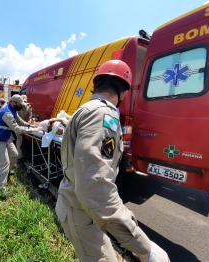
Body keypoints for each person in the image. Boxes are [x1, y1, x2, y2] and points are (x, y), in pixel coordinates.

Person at [55, 60, 170, 262]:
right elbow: (95, 189)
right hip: (83, 212)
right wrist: (144, 247)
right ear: (123, 92)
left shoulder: (85, 109)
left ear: (95, 86)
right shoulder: (104, 113)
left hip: (81, 209)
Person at [0, 94, 41, 194]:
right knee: (4, 163)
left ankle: (6, 173)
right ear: (13, 102)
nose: (21, 106)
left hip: (5, 138)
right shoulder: (7, 112)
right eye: (20, 104)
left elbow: (20, 121)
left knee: (14, 155)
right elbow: (17, 129)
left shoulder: (13, 110)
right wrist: (31, 130)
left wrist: (30, 124)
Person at [16, 94, 33, 159]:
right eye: (23, 101)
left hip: (24, 124)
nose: (24, 103)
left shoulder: (28, 106)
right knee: (19, 139)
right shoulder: (17, 107)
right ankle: (19, 156)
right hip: (17, 124)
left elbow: (31, 114)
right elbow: (16, 118)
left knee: (22, 140)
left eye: (25, 101)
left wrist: (31, 119)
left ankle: (21, 152)